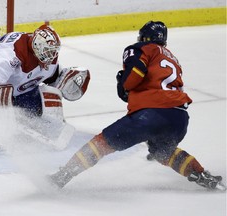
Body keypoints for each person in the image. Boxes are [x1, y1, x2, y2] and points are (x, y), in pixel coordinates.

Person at [49, 21, 225, 190]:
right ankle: (201, 174)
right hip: (179, 119)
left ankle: (63, 175)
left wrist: (124, 82)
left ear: (144, 38)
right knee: (162, 151)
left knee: (102, 143)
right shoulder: (172, 59)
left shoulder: (140, 48)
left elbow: (134, 76)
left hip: (151, 115)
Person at [0, 24, 90, 115]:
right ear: (37, 46)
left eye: (53, 52)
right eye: (47, 51)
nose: (50, 56)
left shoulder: (48, 58)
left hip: (15, 91)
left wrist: (64, 80)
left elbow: (51, 77)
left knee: (38, 110)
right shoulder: (12, 51)